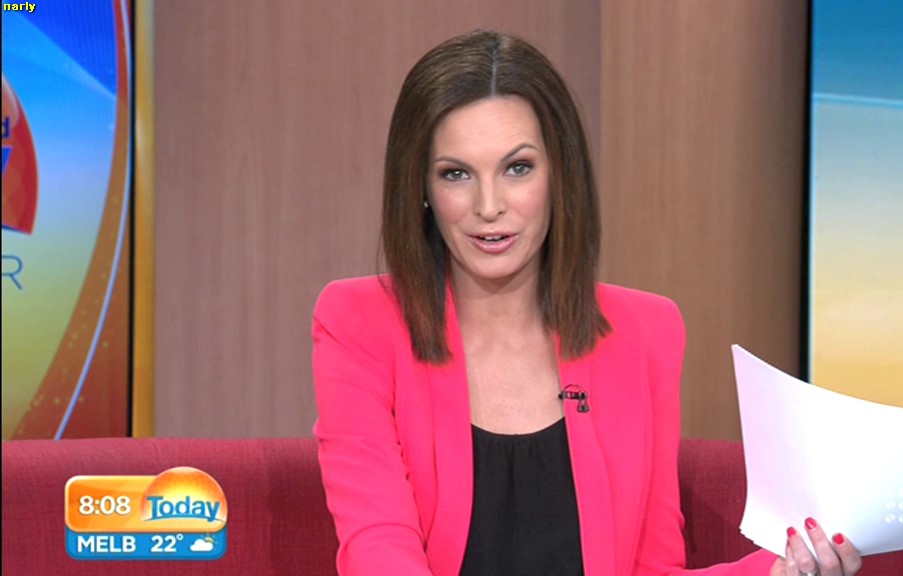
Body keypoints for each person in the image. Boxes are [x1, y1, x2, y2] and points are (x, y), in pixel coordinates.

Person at [312, 29, 863, 576]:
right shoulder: (359, 323)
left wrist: (779, 572)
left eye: (517, 168)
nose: (489, 205)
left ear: (560, 175)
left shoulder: (644, 332)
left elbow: (653, 568)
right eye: (456, 174)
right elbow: (377, 546)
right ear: (422, 189)